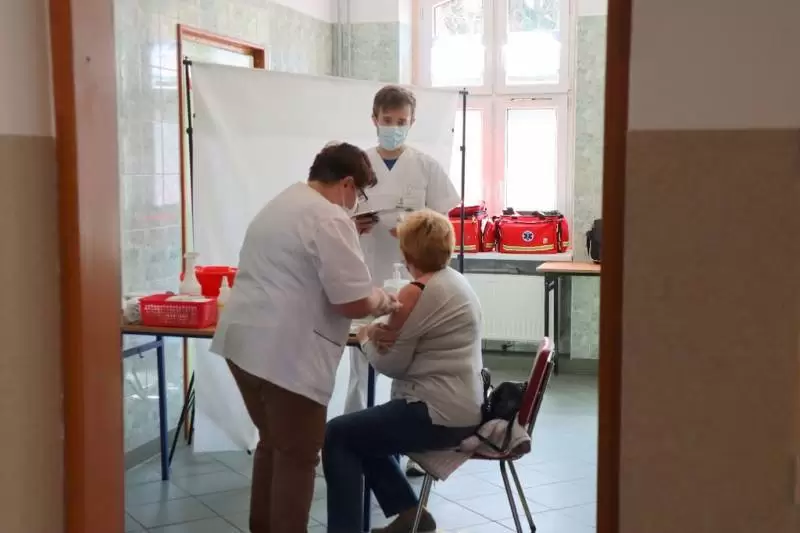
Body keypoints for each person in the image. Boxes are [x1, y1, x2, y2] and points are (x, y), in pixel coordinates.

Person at [209, 142, 400, 533]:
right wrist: (383, 299)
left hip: (243, 346)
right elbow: (352, 301)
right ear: (347, 184)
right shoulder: (329, 217)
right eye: (359, 194)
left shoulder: (282, 203)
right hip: (285, 358)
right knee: (297, 457)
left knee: (273, 445)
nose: (356, 204)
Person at [324, 209, 484, 533]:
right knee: (362, 433)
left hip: (436, 414)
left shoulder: (416, 291)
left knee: (337, 434)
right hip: (465, 407)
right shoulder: (455, 281)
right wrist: (385, 332)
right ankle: (413, 517)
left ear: (406, 252)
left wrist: (366, 337)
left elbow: (390, 365)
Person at [345, 85, 461, 477]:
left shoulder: (425, 166)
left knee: (416, 361)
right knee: (361, 359)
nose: (393, 128)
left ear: (412, 123)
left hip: (418, 276)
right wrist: (353, 224)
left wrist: (415, 230)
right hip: (366, 270)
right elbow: (335, 214)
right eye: (387, 120)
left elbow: (444, 223)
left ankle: (417, 451)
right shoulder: (358, 165)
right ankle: (355, 440)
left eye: (401, 122)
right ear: (374, 119)